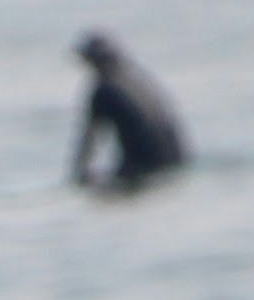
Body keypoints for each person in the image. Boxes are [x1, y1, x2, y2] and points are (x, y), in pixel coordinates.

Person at [70, 28, 190, 194]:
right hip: (177, 161)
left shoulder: (103, 90)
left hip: (145, 168)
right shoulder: (139, 79)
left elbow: (86, 149)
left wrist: (76, 183)